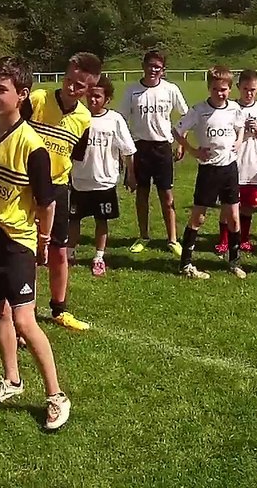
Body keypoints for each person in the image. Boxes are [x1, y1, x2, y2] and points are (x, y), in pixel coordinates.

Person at [0, 57, 71, 431]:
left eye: (2, 90)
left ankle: (56, 395)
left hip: (18, 240)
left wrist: (43, 241)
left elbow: (47, 202)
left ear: (22, 94)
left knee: (24, 319)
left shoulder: (34, 146)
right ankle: (12, 380)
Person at [25, 52, 102, 331]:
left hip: (57, 188)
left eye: (79, 85)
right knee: (28, 249)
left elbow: (75, 155)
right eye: (69, 80)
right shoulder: (37, 100)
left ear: (90, 88)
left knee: (58, 250)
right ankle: (25, 310)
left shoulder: (83, 119)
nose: (71, 87)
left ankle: (59, 309)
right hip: (25, 185)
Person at [174, 66, 246, 280]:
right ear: (209, 88)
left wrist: (239, 140)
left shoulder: (234, 109)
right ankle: (186, 264)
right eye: (215, 89)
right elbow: (176, 131)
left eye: (223, 89)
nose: (219, 93)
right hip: (209, 170)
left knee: (233, 217)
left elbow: (240, 126)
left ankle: (234, 261)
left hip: (230, 169)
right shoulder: (198, 110)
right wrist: (193, 150)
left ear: (230, 89)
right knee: (199, 217)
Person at [117, 51, 189, 256]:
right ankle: (143, 236)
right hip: (140, 147)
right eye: (150, 65)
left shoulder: (171, 89)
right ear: (143, 66)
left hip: (162, 148)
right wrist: (125, 151)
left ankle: (172, 239)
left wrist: (181, 143)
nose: (153, 70)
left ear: (163, 70)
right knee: (142, 194)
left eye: (157, 67)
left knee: (167, 196)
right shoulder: (132, 91)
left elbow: (186, 116)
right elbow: (121, 120)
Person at [68, 76, 136, 277]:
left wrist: (131, 175)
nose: (92, 100)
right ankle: (70, 253)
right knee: (74, 219)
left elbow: (127, 150)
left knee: (101, 220)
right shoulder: (77, 117)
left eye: (97, 96)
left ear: (107, 99)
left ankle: (98, 256)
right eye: (90, 95)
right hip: (79, 180)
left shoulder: (114, 120)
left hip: (104, 181)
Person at [218, 69, 257, 255]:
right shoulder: (230, 107)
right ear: (238, 88)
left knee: (247, 206)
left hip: (253, 163)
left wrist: (256, 129)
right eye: (245, 89)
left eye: (252, 89)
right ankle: (224, 240)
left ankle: (244, 239)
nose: (249, 93)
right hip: (232, 162)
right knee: (228, 205)